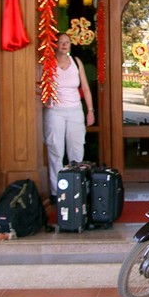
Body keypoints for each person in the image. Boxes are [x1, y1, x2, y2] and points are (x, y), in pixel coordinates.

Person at [43, 33, 95, 196]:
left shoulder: (76, 62)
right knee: (56, 151)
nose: (65, 45)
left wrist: (90, 111)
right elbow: (40, 86)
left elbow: (85, 88)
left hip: (75, 110)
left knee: (76, 150)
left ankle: (76, 189)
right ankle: (56, 192)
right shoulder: (48, 63)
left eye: (68, 42)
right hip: (55, 111)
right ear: (55, 44)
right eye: (61, 42)